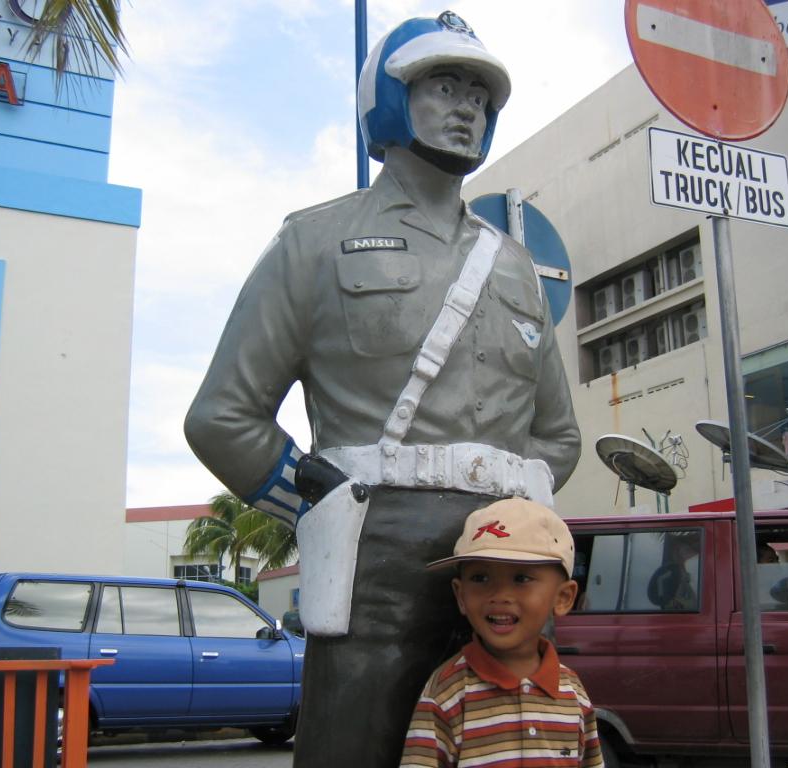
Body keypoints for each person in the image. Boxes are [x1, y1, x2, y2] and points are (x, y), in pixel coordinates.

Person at [184, 12, 580, 768]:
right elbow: (222, 417)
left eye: (479, 97)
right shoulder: (314, 241)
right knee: (359, 741)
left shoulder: (515, 267)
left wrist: (522, 510)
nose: (467, 109)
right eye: (443, 87)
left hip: (506, 553)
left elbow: (558, 433)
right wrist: (318, 502)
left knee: (511, 744)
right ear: (390, 100)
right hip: (373, 545)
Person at [400, 498, 603, 767]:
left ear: (563, 597)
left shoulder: (572, 692)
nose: (499, 595)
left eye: (521, 578)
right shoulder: (447, 693)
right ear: (460, 595)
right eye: (480, 578)